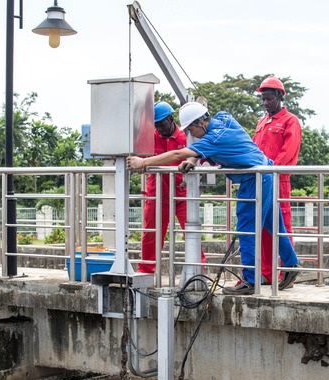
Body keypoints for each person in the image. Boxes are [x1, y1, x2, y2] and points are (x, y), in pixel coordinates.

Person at [127, 102, 301, 295]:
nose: (192, 135)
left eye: (192, 129)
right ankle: (291, 265)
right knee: (274, 224)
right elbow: (198, 150)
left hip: (254, 181)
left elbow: (178, 153)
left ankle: (251, 282)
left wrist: (143, 162)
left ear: (201, 122)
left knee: (246, 231)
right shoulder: (225, 118)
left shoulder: (212, 139)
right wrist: (194, 159)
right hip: (268, 173)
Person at [137, 101, 204, 273]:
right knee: (151, 233)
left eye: (162, 124)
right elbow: (137, 157)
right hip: (157, 192)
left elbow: (198, 155)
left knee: (191, 232)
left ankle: (199, 269)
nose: (159, 129)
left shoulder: (186, 136)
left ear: (171, 118)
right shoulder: (149, 137)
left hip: (183, 193)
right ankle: (146, 270)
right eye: (156, 125)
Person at [254, 76, 302, 284]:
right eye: (263, 99)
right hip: (260, 180)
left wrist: (270, 171)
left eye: (269, 99)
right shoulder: (261, 122)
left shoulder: (290, 121)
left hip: (278, 180)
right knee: (263, 226)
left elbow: (288, 153)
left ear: (280, 97)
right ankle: (267, 273)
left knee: (283, 227)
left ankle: (287, 271)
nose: (265, 103)